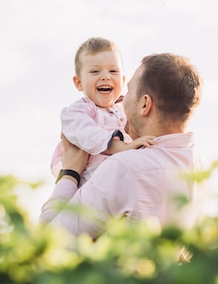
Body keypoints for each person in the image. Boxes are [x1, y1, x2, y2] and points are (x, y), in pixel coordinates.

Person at [41, 53, 204, 239]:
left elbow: (48, 241)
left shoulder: (125, 168)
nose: (122, 100)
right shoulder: (196, 166)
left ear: (144, 104)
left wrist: (69, 173)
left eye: (129, 91)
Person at [51, 37, 155, 185]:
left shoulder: (126, 108)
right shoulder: (76, 113)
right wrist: (124, 147)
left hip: (125, 181)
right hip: (92, 185)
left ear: (123, 79)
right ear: (78, 82)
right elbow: (88, 135)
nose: (106, 76)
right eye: (95, 71)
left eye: (113, 71)